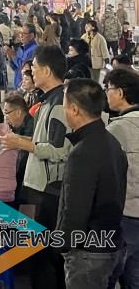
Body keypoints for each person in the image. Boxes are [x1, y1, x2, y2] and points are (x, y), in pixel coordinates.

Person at [0, 45, 71, 288]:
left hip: (46, 191)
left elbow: (60, 150)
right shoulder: (47, 102)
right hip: (35, 187)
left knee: (44, 258)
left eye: (35, 68)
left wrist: (22, 143)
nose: (30, 72)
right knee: (31, 254)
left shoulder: (60, 105)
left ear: (48, 71)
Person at [57, 79, 127, 288]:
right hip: (111, 244)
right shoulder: (111, 141)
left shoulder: (83, 152)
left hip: (89, 252)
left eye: (64, 106)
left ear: (75, 109)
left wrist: (63, 244)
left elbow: (75, 211)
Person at [105, 69, 139, 288]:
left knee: (111, 275)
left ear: (120, 92)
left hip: (125, 214)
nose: (106, 94)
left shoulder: (117, 128)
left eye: (108, 89)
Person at [2, 93, 35, 204]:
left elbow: (33, 141)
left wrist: (16, 139)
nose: (5, 117)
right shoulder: (13, 125)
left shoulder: (32, 124)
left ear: (18, 112)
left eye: (7, 112)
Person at [6, 22, 39, 90]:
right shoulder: (20, 48)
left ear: (31, 35)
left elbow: (25, 67)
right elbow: (15, 68)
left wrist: (13, 55)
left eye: (24, 33)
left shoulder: (35, 49)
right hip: (17, 84)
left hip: (27, 86)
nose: (21, 35)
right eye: (20, 33)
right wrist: (10, 57)